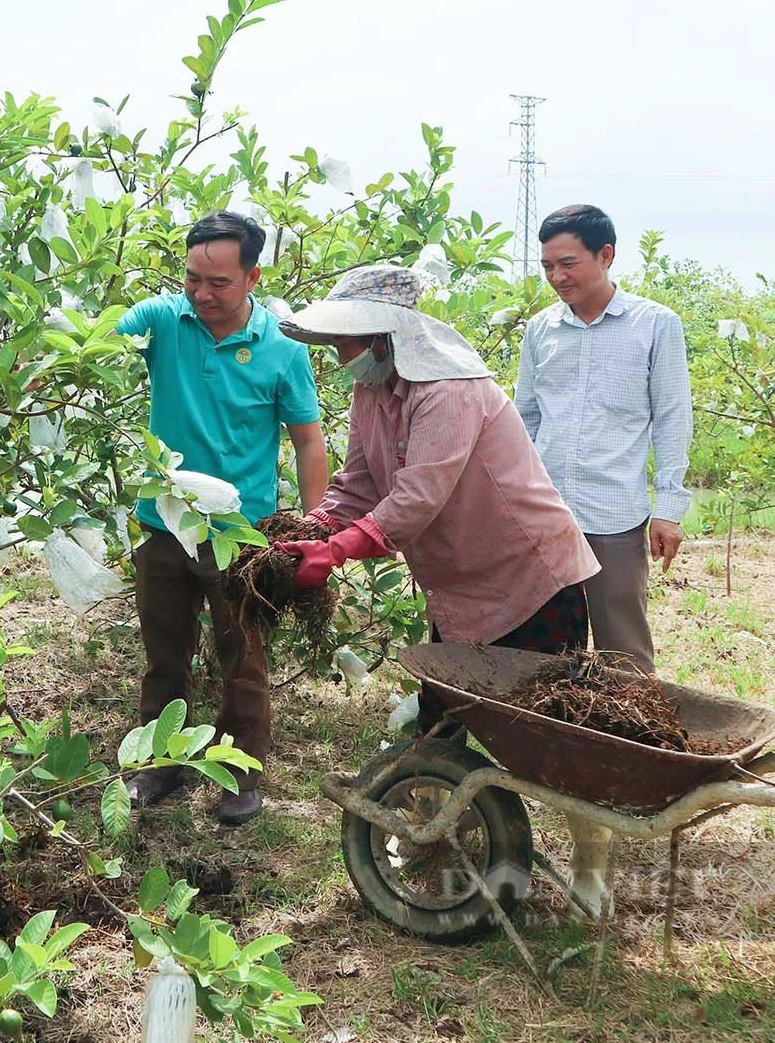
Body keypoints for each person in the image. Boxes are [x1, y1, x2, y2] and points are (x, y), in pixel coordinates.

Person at [270, 262, 611, 918]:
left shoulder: (447, 389)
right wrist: (315, 527)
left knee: (554, 735)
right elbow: (360, 483)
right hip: (458, 589)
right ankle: (436, 848)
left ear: (381, 338)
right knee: (442, 723)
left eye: (346, 342)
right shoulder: (374, 395)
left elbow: (417, 497)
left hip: (530, 579)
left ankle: (592, 866)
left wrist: (337, 551)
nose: (338, 355)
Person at [115, 211, 329, 826]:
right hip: (162, 524)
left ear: (253, 276)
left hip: (242, 534)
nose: (202, 294)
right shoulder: (161, 321)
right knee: (164, 652)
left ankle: (240, 776)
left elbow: (308, 441)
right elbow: (100, 338)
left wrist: (310, 531)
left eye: (219, 283)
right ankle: (161, 764)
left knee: (242, 658)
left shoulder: (283, 348)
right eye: (192, 279)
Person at [515, 204, 693, 677]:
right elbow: (525, 419)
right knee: (543, 642)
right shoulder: (540, 330)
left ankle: (633, 744)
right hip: (545, 511)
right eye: (548, 266)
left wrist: (670, 508)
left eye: (568, 263)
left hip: (613, 511)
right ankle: (549, 741)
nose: (557, 276)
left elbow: (673, 419)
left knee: (623, 650)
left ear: (606, 255)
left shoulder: (655, 325)